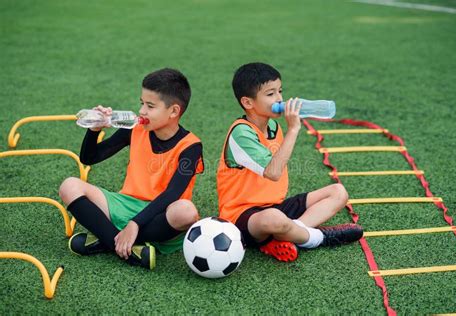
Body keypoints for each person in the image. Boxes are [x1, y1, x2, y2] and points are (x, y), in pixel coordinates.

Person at [216, 62, 363, 262]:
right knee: (274, 219)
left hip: (275, 205)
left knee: (338, 192)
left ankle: (291, 234)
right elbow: (273, 172)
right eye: (270, 94)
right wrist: (293, 129)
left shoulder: (273, 126)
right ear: (248, 103)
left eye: (280, 91)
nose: (279, 99)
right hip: (242, 216)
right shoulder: (241, 133)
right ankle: (317, 238)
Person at [59, 68, 204, 269]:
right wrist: (94, 130)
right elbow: (89, 158)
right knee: (69, 186)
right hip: (125, 205)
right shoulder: (136, 130)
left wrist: (134, 224)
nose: (142, 111)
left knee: (186, 212)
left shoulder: (191, 146)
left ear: (174, 111)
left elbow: (172, 194)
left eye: (150, 106)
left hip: (160, 215)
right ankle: (123, 247)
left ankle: (106, 238)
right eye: (141, 103)